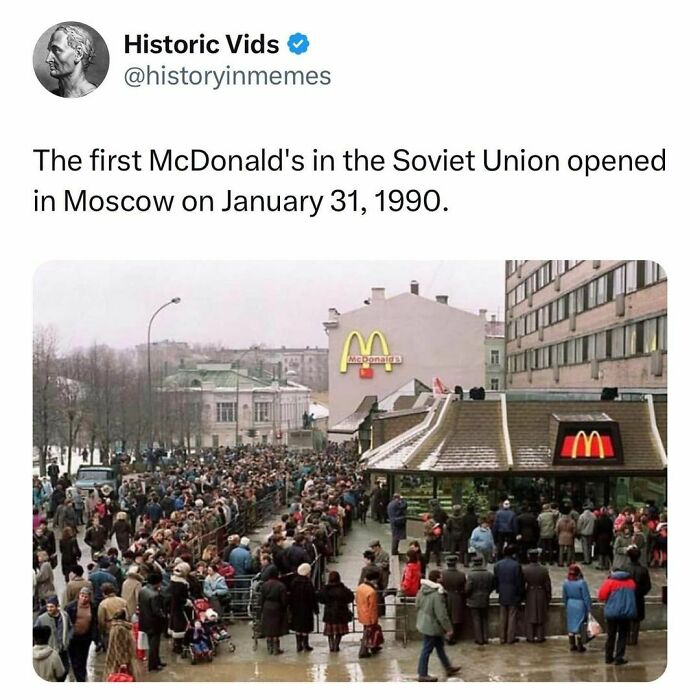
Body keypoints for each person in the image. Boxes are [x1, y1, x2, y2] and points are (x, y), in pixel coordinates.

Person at [415, 569, 461, 682]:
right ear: (437, 579)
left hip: (424, 622)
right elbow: (441, 614)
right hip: (432, 625)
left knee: (439, 647)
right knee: (427, 649)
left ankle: (448, 667)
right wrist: (449, 629)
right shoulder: (437, 594)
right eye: (441, 576)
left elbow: (417, 605)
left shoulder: (422, 590)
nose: (443, 578)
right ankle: (422, 674)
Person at [598, 567, 637, 665]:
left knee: (611, 635)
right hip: (626, 613)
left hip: (612, 613)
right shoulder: (631, 582)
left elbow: (601, 596)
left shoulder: (609, 582)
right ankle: (619, 657)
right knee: (622, 635)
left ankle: (608, 657)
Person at [34, 595, 72, 680]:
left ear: (57, 606)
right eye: (47, 607)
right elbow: (35, 633)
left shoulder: (64, 616)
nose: (49, 609)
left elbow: (70, 627)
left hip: (63, 651)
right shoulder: (41, 619)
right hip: (49, 652)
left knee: (64, 672)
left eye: (51, 607)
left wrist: (68, 639)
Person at [64, 587, 98, 681]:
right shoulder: (70, 607)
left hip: (86, 638)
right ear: (79, 596)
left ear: (89, 597)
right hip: (73, 638)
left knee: (84, 659)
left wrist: (95, 637)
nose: (83, 598)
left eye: (86, 597)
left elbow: (95, 622)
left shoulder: (93, 607)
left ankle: (81, 676)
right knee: (75, 660)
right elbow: (65, 622)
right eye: (82, 596)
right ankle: (80, 678)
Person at [317, 571, 354, 652]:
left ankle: (331, 646)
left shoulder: (325, 589)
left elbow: (320, 598)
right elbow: (351, 597)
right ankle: (336, 646)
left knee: (330, 633)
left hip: (329, 613)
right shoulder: (342, 588)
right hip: (341, 613)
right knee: (339, 633)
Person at [138, 572, 168, 671]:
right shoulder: (154, 595)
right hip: (154, 623)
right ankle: (153, 665)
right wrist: (164, 616)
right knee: (154, 645)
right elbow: (157, 611)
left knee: (153, 644)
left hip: (144, 620)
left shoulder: (142, 590)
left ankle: (157, 661)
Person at [493, 544, 523, 644]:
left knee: (502, 616)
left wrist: (498, 590)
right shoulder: (516, 565)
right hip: (513, 593)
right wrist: (520, 594)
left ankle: (502, 638)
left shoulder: (498, 565)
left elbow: (495, 580)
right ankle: (510, 638)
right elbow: (519, 582)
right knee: (512, 616)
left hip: (502, 592)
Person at [521, 549, 551, 642]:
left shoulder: (525, 569)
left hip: (530, 592)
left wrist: (522, 596)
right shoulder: (544, 569)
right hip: (541, 592)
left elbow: (522, 584)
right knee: (541, 616)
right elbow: (548, 585)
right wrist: (548, 596)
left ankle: (530, 636)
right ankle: (540, 636)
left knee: (530, 616)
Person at [624, 545, 652, 645]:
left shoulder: (625, 568)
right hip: (638, 597)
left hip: (626, 597)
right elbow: (648, 586)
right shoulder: (643, 570)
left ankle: (626, 638)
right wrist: (640, 592)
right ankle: (634, 638)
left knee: (626, 618)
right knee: (636, 620)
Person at [465, 554, 495, 645]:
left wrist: (468, 596)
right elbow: (492, 586)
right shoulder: (489, 574)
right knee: (485, 618)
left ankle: (479, 639)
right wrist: (487, 593)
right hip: (485, 598)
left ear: (474, 563)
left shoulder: (471, 575)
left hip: (474, 599)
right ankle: (486, 638)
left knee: (476, 619)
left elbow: (468, 589)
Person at [259, 565, 289, 655]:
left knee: (268, 628)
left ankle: (269, 649)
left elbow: (261, 599)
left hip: (267, 607)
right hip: (277, 607)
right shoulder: (281, 585)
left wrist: (261, 608)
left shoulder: (265, 585)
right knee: (276, 629)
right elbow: (284, 600)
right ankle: (276, 649)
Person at [562, 564, 592, 652]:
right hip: (580, 605)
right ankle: (580, 645)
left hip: (570, 605)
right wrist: (589, 608)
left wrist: (566, 605)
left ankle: (572, 645)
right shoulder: (582, 583)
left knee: (571, 625)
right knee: (580, 626)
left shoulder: (566, 583)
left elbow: (564, 596)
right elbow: (586, 597)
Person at [289, 562, 318, 652]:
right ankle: (306, 644)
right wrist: (315, 609)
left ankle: (298, 645)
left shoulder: (294, 582)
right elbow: (312, 597)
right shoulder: (308, 583)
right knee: (305, 627)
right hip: (306, 609)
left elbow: (290, 596)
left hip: (296, 609)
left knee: (298, 627)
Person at [103, 609, 138, 680]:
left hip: (116, 658)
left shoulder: (116, 626)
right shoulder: (120, 628)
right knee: (121, 678)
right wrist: (122, 662)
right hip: (119, 661)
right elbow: (120, 646)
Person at [440, 554, 466, 642]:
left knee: (446, 616)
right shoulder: (461, 575)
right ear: (456, 563)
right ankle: (453, 636)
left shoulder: (442, 574)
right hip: (457, 597)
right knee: (456, 618)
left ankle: (447, 635)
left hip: (445, 596)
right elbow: (464, 588)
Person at [356, 570, 381, 658]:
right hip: (369, 616)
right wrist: (374, 619)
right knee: (368, 634)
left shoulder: (360, 587)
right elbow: (373, 607)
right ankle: (363, 651)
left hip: (362, 613)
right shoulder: (371, 592)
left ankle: (371, 648)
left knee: (366, 632)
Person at [169, 562, 191, 654]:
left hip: (174, 607)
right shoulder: (180, 583)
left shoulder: (173, 580)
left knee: (176, 625)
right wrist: (186, 601)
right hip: (180, 608)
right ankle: (179, 646)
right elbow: (179, 596)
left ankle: (176, 645)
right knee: (180, 626)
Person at [97, 582, 127, 650]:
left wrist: (101, 631)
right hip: (123, 627)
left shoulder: (103, 604)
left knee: (111, 650)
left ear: (104, 593)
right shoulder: (123, 601)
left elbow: (101, 620)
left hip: (109, 628)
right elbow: (128, 615)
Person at [370, 539, 390, 616]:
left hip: (383, 576)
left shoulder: (385, 554)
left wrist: (376, 565)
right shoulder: (372, 554)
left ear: (377, 546)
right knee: (376, 594)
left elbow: (386, 564)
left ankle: (382, 611)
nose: (372, 549)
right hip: (375, 577)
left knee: (381, 594)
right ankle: (378, 611)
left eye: (373, 547)